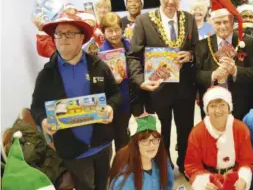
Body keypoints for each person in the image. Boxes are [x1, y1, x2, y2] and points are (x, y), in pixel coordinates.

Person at [30, 12, 122, 190]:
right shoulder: (47, 74)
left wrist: (110, 107)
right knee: (84, 186)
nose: (63, 38)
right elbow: (36, 107)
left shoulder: (98, 66)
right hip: (72, 149)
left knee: (104, 184)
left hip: (101, 142)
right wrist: (43, 121)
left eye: (69, 33)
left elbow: (115, 93)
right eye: (59, 33)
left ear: (82, 38)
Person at [127, 0, 198, 175]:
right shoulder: (144, 21)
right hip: (157, 89)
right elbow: (133, 55)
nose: (171, 2)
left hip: (184, 88)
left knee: (186, 131)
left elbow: (196, 50)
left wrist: (190, 55)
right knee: (161, 132)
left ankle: (186, 165)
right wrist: (141, 81)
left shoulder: (189, 19)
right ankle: (163, 168)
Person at [195, 0, 253, 120]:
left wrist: (235, 70)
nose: (222, 26)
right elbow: (195, 75)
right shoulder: (202, 45)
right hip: (212, 109)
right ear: (212, 23)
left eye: (226, 22)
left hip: (240, 109)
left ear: (232, 21)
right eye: (218, 23)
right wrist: (213, 74)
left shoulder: (248, 43)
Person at [185, 86, 253, 190]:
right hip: (209, 180)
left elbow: (246, 160)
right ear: (206, 109)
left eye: (222, 105)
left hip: (235, 178)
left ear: (229, 107)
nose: (218, 110)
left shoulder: (241, 129)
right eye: (212, 106)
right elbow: (192, 166)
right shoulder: (197, 133)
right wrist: (203, 183)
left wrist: (243, 178)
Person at [109, 114, 174, 190]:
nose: (151, 145)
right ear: (135, 143)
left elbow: (168, 186)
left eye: (155, 139)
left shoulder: (163, 161)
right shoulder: (125, 179)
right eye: (145, 141)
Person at [99, 12, 134, 151]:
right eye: (109, 31)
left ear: (122, 29)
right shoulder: (101, 54)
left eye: (116, 30)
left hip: (135, 97)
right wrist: (111, 81)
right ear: (103, 32)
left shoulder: (129, 45)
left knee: (136, 133)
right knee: (122, 138)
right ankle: (123, 168)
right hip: (119, 101)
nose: (114, 34)